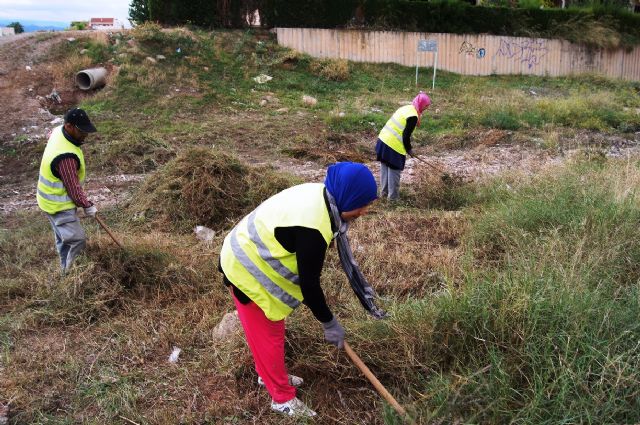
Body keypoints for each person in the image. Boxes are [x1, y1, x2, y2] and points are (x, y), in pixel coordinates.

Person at [219, 162, 384, 417]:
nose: (363, 211)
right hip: (245, 268)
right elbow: (310, 285)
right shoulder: (313, 227)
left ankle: (271, 375)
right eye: (361, 204)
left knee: (267, 333)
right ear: (347, 196)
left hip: (245, 254)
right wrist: (329, 322)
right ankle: (281, 398)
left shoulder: (323, 195)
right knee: (269, 334)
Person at [36, 108, 98, 273]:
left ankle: (64, 268)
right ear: (69, 126)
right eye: (82, 130)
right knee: (77, 240)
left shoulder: (58, 131)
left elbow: (49, 135)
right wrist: (87, 206)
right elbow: (73, 188)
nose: (85, 134)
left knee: (64, 240)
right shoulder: (66, 157)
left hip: (46, 200)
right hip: (58, 205)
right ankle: (72, 276)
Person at [375, 91, 431, 200]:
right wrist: (409, 149)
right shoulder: (413, 116)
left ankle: (384, 195)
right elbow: (405, 136)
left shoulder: (407, 108)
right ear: (421, 104)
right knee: (394, 170)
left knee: (385, 167)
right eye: (426, 106)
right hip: (393, 145)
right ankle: (393, 200)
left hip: (383, 140)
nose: (426, 108)